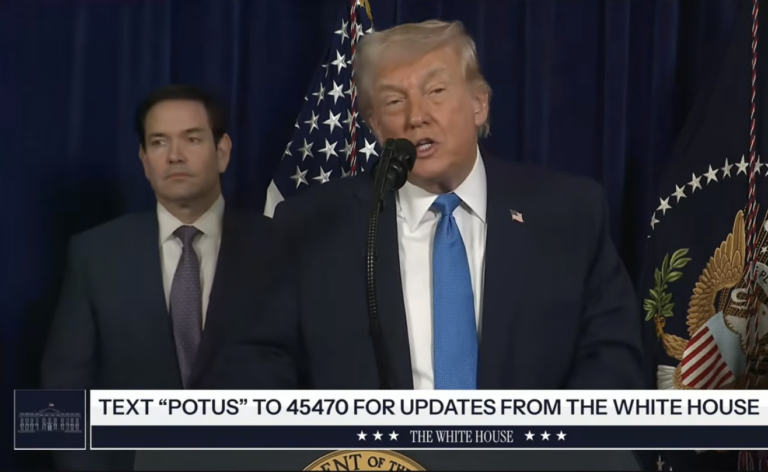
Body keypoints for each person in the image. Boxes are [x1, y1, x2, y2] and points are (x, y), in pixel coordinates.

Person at [203, 20, 645, 391]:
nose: (417, 116)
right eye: (395, 101)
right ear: (377, 126)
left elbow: (612, 359)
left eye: (436, 91)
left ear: (479, 104)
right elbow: (260, 364)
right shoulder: (311, 226)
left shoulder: (569, 214)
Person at [41, 84, 280, 470]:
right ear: (144, 159)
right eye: (158, 142)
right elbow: (63, 392)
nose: (174, 155)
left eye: (192, 139)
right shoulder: (94, 255)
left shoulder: (281, 246)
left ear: (222, 152)